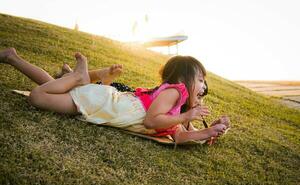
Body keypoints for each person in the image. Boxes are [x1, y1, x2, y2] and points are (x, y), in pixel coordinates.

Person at [0, 48, 230, 144]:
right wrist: (186, 115)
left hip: (106, 103)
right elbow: (151, 120)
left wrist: (210, 131)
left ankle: (13, 58)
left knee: (52, 86)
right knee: (38, 97)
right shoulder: (174, 91)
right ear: (184, 80)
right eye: (200, 79)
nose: (203, 86)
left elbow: (180, 137)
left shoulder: (175, 108)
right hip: (104, 105)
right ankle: (79, 77)